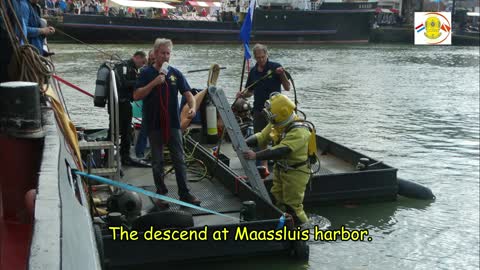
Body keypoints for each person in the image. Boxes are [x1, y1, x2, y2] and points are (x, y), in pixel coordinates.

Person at [134, 38, 201, 206]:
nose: (165, 56)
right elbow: (136, 95)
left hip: (172, 124)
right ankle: (161, 193)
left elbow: (188, 94)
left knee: (179, 159)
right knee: (157, 161)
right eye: (162, 53)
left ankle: (184, 193)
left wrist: (192, 107)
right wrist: (154, 83)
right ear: (155, 54)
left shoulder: (175, 73)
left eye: (168, 53)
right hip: (154, 123)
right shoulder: (145, 73)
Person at [243, 93, 313, 225]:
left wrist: (256, 156)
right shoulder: (277, 124)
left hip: (296, 172)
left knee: (293, 206)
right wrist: (244, 142)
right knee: (277, 198)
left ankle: (304, 230)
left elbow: (282, 150)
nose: (269, 116)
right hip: (281, 168)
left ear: (283, 112)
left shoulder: (300, 131)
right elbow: (262, 136)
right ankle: (283, 225)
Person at [237, 43, 290, 172]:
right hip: (259, 109)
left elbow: (287, 87)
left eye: (263, 56)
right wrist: (242, 94)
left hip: (275, 111)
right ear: (254, 57)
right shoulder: (254, 71)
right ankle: (264, 166)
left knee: (278, 137)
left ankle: (280, 164)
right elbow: (250, 91)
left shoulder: (275, 67)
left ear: (267, 54)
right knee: (261, 138)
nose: (261, 60)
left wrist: (282, 74)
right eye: (258, 57)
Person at [112, 51, 146, 166]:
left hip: (123, 103)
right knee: (122, 130)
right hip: (121, 103)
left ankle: (123, 155)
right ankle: (122, 157)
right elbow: (123, 83)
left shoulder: (131, 68)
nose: (142, 65)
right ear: (136, 57)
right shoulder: (125, 67)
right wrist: (139, 82)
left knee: (123, 130)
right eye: (142, 62)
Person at [134, 50, 155, 158]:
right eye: (150, 58)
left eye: (153, 58)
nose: (152, 60)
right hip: (148, 105)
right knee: (145, 130)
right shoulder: (145, 71)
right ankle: (140, 152)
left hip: (159, 106)